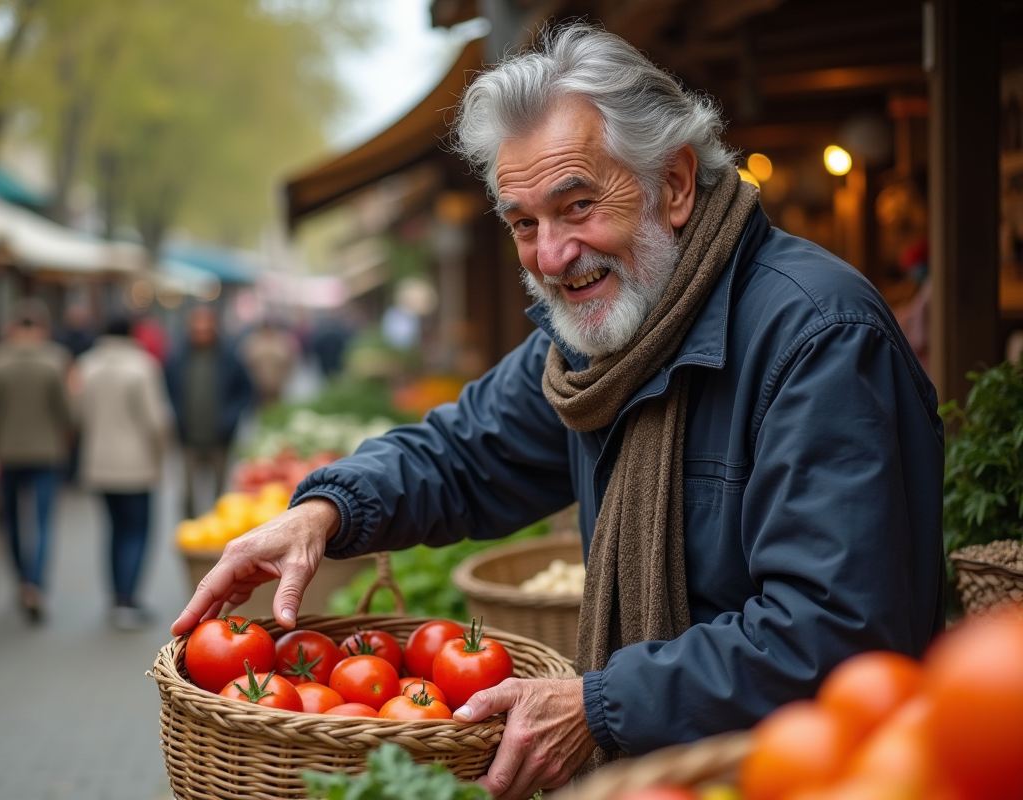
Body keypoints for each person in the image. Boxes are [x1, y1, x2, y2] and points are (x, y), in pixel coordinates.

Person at [174, 24, 944, 799]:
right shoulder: (603, 343)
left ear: (674, 185)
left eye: (577, 206)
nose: (551, 255)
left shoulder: (819, 338)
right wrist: (326, 512)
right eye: (524, 223)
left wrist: (602, 704)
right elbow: (465, 452)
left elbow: (838, 632)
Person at [75, 316, 172, 629]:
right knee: (138, 530)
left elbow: (77, 414)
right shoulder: (143, 366)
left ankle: (117, 596)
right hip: (136, 462)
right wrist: (161, 457)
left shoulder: (86, 365)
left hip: (98, 460)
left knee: (114, 529)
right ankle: (129, 599)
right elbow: (156, 420)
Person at [0, 298, 72, 623]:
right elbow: (66, 411)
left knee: (12, 522)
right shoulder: (56, 360)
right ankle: (35, 583)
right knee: (43, 521)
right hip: (46, 452)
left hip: (7, 453)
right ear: (42, 328)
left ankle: (21, 579)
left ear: (13, 327)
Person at [165, 305, 253, 518]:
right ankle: (190, 530)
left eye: (206, 325)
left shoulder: (229, 357)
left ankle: (217, 530)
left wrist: (231, 417)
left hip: (220, 437)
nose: (201, 330)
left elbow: (247, 391)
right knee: (187, 493)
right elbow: (167, 391)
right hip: (188, 436)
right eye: (197, 326)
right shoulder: (177, 359)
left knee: (219, 493)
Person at [240, 318, 299, 407]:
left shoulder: (282, 340)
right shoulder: (252, 342)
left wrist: (285, 378)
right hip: (258, 390)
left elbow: (291, 361)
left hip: (278, 388)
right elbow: (243, 364)